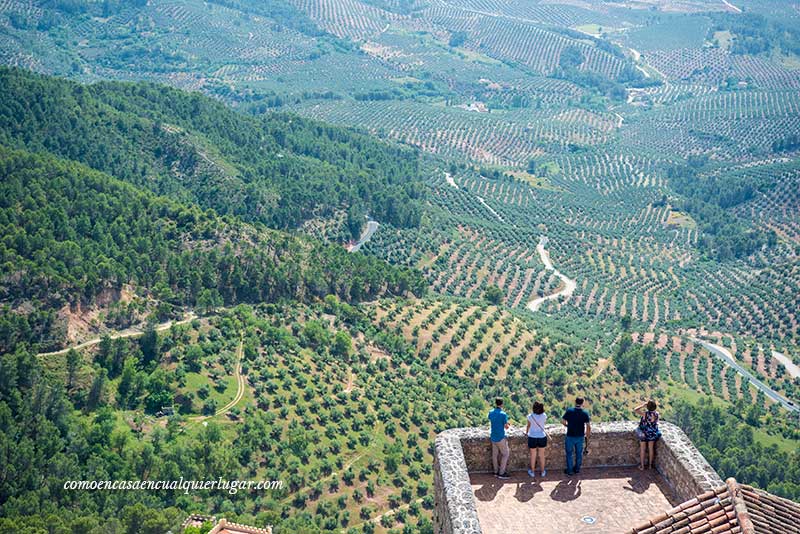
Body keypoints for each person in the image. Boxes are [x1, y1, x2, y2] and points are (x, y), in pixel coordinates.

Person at [562, 397, 591, 476]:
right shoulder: (585, 413)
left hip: (570, 435)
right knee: (579, 453)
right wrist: (587, 435)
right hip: (580, 436)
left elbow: (563, 421)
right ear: (582, 403)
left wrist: (567, 425)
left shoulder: (569, 411)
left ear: (575, 402)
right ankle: (577, 469)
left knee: (569, 453)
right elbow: (588, 426)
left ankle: (570, 470)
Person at [634, 400, 661, 470]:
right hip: (652, 433)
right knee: (651, 449)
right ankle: (650, 466)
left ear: (647, 407)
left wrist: (643, 405)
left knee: (642, 450)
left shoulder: (645, 414)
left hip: (644, 433)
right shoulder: (657, 414)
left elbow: (635, 410)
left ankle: (642, 466)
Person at [488, 397, 510, 479]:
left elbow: (492, 420)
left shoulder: (491, 412)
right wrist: (508, 424)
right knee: (506, 454)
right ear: (502, 404)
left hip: (493, 436)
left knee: (495, 455)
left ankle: (495, 472)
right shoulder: (503, 414)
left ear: (496, 403)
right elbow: (506, 427)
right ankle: (501, 473)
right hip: (500, 437)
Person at [525, 401, 548, 478]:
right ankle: (542, 472)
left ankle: (532, 472)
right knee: (541, 455)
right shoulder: (544, 415)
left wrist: (526, 433)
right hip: (542, 436)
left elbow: (528, 426)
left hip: (532, 436)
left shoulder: (530, 416)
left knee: (533, 455)